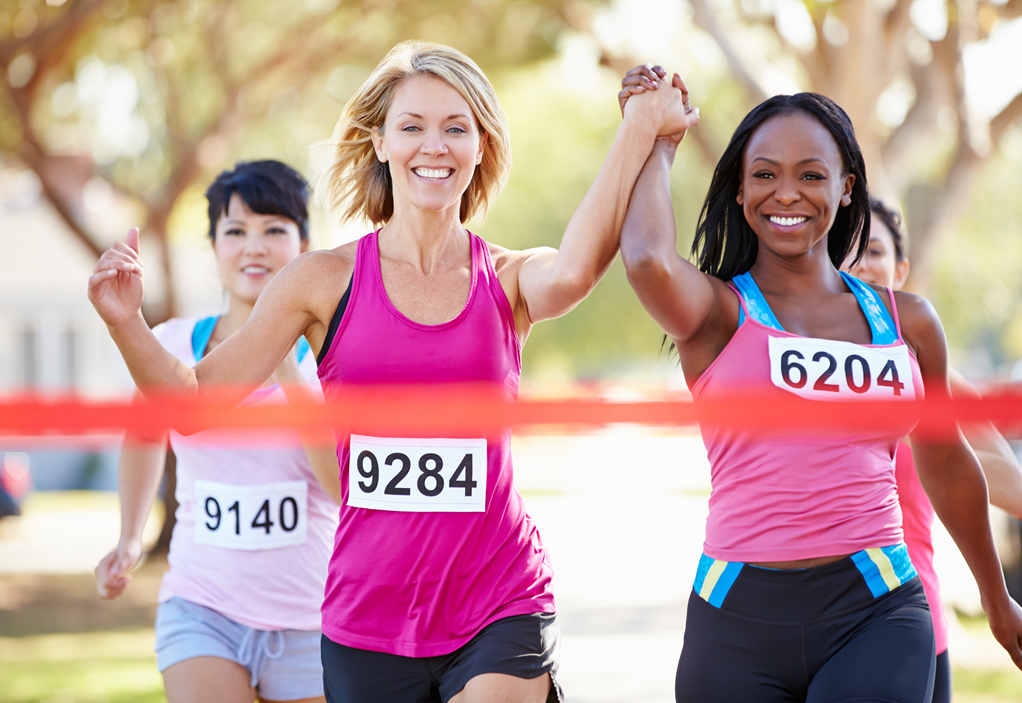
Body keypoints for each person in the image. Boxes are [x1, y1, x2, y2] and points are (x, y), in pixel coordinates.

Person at [87, 42, 696, 703]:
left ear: (482, 146)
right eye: (411, 126)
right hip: (366, 619)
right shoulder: (320, 280)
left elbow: (577, 270)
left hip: (499, 598)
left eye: (455, 127)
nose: (433, 146)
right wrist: (126, 321)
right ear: (379, 141)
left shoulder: (511, 277)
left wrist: (640, 128)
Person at [617, 65, 1022, 701]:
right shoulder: (718, 314)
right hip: (735, 613)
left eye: (810, 174)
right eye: (765, 175)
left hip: (878, 607)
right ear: (741, 191)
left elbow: (946, 459)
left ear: (845, 187)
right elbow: (644, 258)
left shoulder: (905, 320)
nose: (787, 193)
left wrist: (997, 603)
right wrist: (657, 142)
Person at [93, 160, 340, 703]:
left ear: (305, 245)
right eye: (235, 231)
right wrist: (130, 537)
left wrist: (282, 360)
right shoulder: (173, 345)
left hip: (312, 622)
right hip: (201, 610)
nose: (255, 246)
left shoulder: (334, 360)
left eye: (274, 229)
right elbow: (143, 435)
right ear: (213, 246)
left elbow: (339, 489)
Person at [843, 196, 1022, 703]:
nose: (860, 264)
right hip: (813, 626)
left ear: (900, 269)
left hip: (913, 627)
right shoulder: (802, 362)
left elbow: (1008, 483)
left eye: (874, 251)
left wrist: (924, 434)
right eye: (847, 252)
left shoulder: (931, 371)